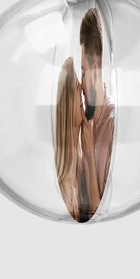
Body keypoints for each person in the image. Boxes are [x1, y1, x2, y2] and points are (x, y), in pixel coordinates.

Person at [78, 8, 115, 221]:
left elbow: (96, 211)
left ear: (94, 69)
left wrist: (89, 154)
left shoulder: (112, 127)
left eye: (83, 71)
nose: (80, 83)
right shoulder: (87, 121)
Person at [55, 57, 100, 222]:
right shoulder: (66, 182)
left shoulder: (77, 165)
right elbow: (95, 213)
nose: (81, 87)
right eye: (76, 85)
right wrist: (90, 155)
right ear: (66, 103)